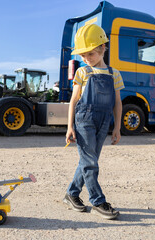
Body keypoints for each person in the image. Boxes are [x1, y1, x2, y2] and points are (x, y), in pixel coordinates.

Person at [63, 24, 124, 220]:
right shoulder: (82, 72)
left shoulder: (114, 73)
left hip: (104, 121)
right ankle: (98, 201)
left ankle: (71, 194)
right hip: (84, 120)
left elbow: (117, 102)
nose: (86, 59)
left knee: (89, 161)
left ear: (102, 48)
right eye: (82, 55)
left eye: (90, 54)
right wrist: (70, 127)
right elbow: (73, 100)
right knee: (90, 163)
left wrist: (117, 128)